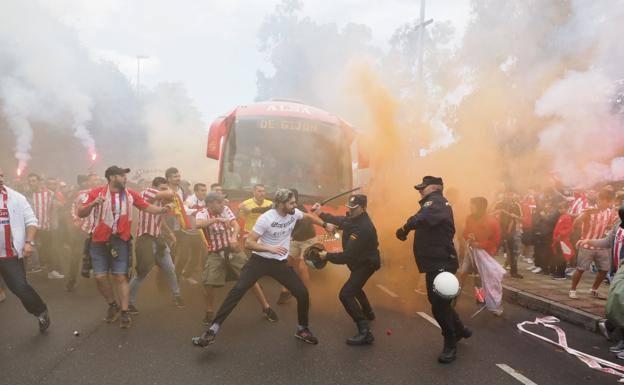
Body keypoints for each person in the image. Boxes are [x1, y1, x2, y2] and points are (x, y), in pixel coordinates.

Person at [191, 188, 333, 347]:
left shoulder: (293, 213)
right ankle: (212, 331)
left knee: (302, 293)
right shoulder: (266, 218)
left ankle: (302, 329)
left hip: (278, 264)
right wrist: (269, 248)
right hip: (259, 261)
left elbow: (307, 216)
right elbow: (250, 243)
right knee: (237, 291)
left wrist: (325, 224)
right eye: (292, 203)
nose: (295, 205)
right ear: (281, 204)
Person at [77, 166, 170, 329]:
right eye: (122, 176)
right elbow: (81, 213)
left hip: (120, 240)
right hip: (98, 241)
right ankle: (113, 305)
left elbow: (146, 206)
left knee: (120, 277)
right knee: (100, 277)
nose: (125, 178)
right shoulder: (96, 192)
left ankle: (125, 312)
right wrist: (93, 203)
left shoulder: (130, 194)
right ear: (112, 177)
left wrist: (161, 210)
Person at [396, 176, 471, 364]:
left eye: (423, 187)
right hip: (436, 261)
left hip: (442, 262)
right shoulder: (434, 203)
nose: (420, 190)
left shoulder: (436, 202)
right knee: (440, 301)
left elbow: (421, 218)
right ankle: (460, 329)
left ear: (435, 188)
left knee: (438, 306)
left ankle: (450, 343)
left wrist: (404, 228)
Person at [196, 192, 276, 326]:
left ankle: (266, 307)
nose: (223, 205)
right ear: (210, 204)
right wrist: (217, 220)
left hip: (234, 250)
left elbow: (236, 225)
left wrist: (233, 237)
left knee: (250, 278)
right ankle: (209, 311)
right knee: (208, 283)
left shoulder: (225, 210)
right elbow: (198, 224)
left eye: (222, 202)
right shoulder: (202, 213)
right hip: (215, 253)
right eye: (219, 203)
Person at [313, 194, 380, 345]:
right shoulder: (354, 217)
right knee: (355, 287)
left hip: (366, 264)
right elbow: (340, 221)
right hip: (359, 262)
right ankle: (368, 312)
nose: (350, 210)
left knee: (346, 294)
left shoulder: (364, 228)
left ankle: (365, 331)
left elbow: (347, 256)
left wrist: (326, 256)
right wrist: (320, 213)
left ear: (363, 208)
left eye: (353, 208)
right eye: (349, 207)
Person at [0, 168, 50, 332]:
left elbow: (32, 221)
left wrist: (28, 242)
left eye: (1, 175)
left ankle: (40, 311)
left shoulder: (16, 198)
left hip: (10, 255)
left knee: (20, 288)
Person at [128, 177, 184, 314]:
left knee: (170, 268)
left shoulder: (161, 201)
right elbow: (171, 194)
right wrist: (170, 190)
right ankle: (128, 303)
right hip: (145, 239)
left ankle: (177, 296)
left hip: (158, 239)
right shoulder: (146, 192)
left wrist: (170, 233)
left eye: (166, 188)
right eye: (162, 188)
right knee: (142, 273)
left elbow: (160, 220)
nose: (165, 191)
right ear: (154, 187)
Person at [459, 197, 505, 315]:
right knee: (463, 273)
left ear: (480, 207)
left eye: (472, 205)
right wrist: (468, 237)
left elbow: (496, 240)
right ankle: (454, 297)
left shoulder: (492, 221)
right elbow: (465, 232)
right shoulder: (469, 218)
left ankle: (490, 302)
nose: (470, 207)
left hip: (486, 254)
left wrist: (480, 244)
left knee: (486, 278)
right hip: (471, 251)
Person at [570, 189, 617, 299]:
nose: (610, 204)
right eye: (608, 201)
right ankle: (572, 290)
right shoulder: (589, 210)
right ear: (601, 200)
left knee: (605, 269)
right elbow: (575, 224)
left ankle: (593, 290)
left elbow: (609, 225)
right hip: (586, 245)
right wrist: (584, 214)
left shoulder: (609, 212)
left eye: (610, 202)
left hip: (601, 245)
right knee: (581, 269)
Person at [277, 188, 316, 304]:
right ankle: (286, 290)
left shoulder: (300, 209)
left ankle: (306, 295)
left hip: (308, 240)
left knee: (302, 266)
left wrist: (292, 235)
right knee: (287, 263)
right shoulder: (284, 208)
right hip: (294, 240)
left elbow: (305, 225)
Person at [27, 173, 64, 279]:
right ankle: (37, 268)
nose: (31, 183)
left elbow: (60, 206)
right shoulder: (28, 195)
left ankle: (51, 271)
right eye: (29, 181)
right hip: (33, 227)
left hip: (47, 227)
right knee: (33, 248)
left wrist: (55, 220)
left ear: (39, 182)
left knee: (49, 249)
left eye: (33, 181)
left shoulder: (50, 194)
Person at [66, 173, 98, 291]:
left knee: (97, 254)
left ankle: (97, 278)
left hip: (96, 230)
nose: (95, 182)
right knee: (76, 254)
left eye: (97, 180)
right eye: (93, 180)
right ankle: (71, 280)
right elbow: (72, 208)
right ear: (87, 181)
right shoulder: (78, 194)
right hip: (82, 230)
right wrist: (76, 220)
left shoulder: (101, 193)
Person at [492, 190, 523, 279]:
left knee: (513, 252)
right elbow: (491, 215)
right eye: (507, 194)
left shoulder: (516, 205)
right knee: (494, 250)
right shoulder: (499, 204)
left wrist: (514, 216)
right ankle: (490, 269)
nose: (509, 196)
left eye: (511, 194)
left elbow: (521, 218)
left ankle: (514, 272)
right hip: (499, 230)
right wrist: (497, 212)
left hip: (511, 231)